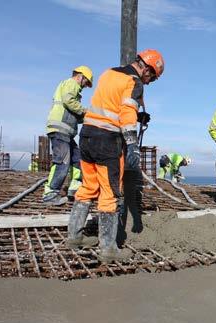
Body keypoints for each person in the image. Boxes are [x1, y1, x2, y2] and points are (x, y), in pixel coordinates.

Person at [67, 49, 162, 262]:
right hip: (108, 141)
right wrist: (132, 143)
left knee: (87, 187)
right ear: (146, 68)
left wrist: (139, 115)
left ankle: (74, 237)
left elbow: (112, 103)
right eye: (152, 77)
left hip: (88, 135)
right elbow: (126, 112)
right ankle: (108, 249)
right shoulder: (134, 81)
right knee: (109, 193)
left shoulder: (108, 73)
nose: (150, 82)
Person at [43, 66, 93, 205]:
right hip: (60, 128)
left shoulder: (71, 87)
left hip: (66, 131)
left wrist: (88, 118)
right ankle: (50, 194)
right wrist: (86, 111)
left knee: (78, 159)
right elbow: (69, 101)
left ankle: (74, 188)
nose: (85, 86)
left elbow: (74, 113)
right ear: (81, 77)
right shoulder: (72, 83)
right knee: (62, 160)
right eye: (86, 82)